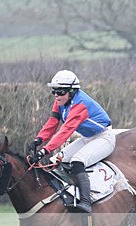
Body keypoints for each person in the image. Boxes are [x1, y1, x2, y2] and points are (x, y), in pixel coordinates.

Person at [27, 70, 114, 213]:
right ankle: (67, 195)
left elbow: (65, 131)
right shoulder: (60, 102)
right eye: (54, 91)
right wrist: (39, 139)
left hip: (104, 138)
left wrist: (44, 150)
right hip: (88, 138)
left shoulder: (80, 105)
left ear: (72, 91)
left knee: (77, 161)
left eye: (60, 91)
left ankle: (86, 202)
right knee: (57, 160)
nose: (56, 95)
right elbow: (53, 122)